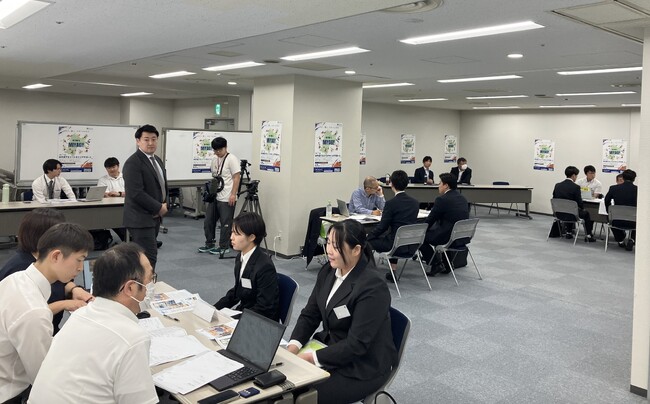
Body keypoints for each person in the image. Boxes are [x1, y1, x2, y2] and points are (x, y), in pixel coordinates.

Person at [29, 243, 158, 404]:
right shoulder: (133, 339)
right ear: (130, 288)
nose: (152, 285)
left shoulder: (80, 314)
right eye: (150, 278)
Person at [287, 220, 397, 404]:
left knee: (303, 396)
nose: (329, 250)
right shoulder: (328, 271)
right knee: (282, 384)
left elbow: (357, 345)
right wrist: (293, 347)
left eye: (336, 246)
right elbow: (310, 314)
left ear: (356, 250)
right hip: (331, 348)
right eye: (328, 243)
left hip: (362, 365)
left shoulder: (372, 286)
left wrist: (312, 358)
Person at [0, 223, 93, 403]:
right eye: (79, 260)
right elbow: (43, 377)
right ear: (56, 256)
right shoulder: (34, 312)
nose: (81, 268)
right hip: (10, 394)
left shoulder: (16, 278)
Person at [0, 208, 93, 334]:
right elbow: (28, 314)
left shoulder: (42, 262)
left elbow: (59, 283)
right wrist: (64, 304)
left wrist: (74, 289)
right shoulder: (20, 268)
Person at [214, 212, 280, 321]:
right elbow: (237, 291)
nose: (231, 237)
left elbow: (265, 308)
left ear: (251, 237)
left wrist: (233, 317)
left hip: (260, 319)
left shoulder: (264, 267)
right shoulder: (240, 257)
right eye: (232, 232)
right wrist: (214, 308)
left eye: (237, 234)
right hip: (245, 312)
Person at [123, 124, 167, 269]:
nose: (150, 143)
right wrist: (158, 207)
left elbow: (161, 185)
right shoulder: (133, 162)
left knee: (144, 257)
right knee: (148, 258)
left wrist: (164, 203)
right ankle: (145, 283)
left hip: (154, 217)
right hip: (140, 218)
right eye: (146, 139)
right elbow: (136, 193)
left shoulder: (157, 160)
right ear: (138, 141)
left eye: (153, 139)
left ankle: (141, 282)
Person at [367, 170, 419, 280]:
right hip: (410, 245)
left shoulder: (391, 204)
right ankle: (392, 271)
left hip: (394, 246)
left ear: (391, 184)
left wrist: (369, 236)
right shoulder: (415, 203)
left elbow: (382, 227)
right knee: (394, 235)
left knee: (367, 242)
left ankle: (367, 272)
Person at [198, 137, 241, 255]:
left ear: (225, 147)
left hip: (227, 197)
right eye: (215, 150)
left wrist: (233, 194)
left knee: (225, 223)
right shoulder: (214, 159)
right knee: (208, 221)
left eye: (220, 150)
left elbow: (236, 177)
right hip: (215, 196)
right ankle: (209, 243)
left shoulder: (232, 159)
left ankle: (224, 246)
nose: (217, 152)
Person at [420, 173, 470, 274]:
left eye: (440, 183)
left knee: (420, 237)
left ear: (446, 185)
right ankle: (447, 265)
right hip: (461, 236)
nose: (438, 186)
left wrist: (420, 230)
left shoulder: (442, 199)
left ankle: (436, 264)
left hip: (448, 237)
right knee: (442, 230)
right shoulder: (463, 198)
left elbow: (430, 220)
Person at [552, 165, 595, 242]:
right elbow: (579, 202)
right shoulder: (575, 187)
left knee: (570, 209)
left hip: (559, 213)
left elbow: (554, 198)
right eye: (576, 176)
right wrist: (583, 208)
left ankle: (568, 232)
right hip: (571, 214)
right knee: (586, 213)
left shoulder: (557, 185)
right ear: (573, 175)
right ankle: (588, 235)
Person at [604, 169, 638, 250]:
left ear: (623, 178)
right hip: (633, 222)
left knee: (610, 218)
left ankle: (620, 240)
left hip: (617, 220)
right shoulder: (638, 190)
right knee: (640, 220)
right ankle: (632, 239)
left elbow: (606, 200)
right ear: (634, 179)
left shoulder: (613, 188)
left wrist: (609, 212)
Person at [97, 157, 128, 242]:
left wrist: (119, 194)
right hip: (110, 208)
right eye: (109, 168)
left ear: (118, 166)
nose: (111, 169)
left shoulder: (126, 177)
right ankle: (127, 239)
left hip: (127, 205)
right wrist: (123, 194)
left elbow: (132, 192)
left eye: (113, 167)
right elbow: (105, 195)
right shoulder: (102, 180)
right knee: (114, 220)